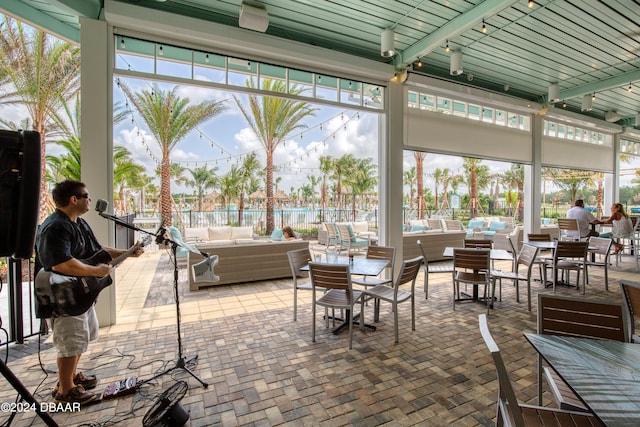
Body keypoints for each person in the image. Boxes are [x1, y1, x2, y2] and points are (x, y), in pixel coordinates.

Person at [36, 180, 143, 405]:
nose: (90, 200)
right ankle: (66, 391)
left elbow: (98, 250)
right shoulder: (56, 226)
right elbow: (60, 263)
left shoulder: (78, 223)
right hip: (63, 294)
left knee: (79, 337)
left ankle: (72, 377)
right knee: (70, 340)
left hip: (79, 294)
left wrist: (127, 252)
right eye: (87, 196)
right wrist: (95, 271)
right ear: (74, 199)